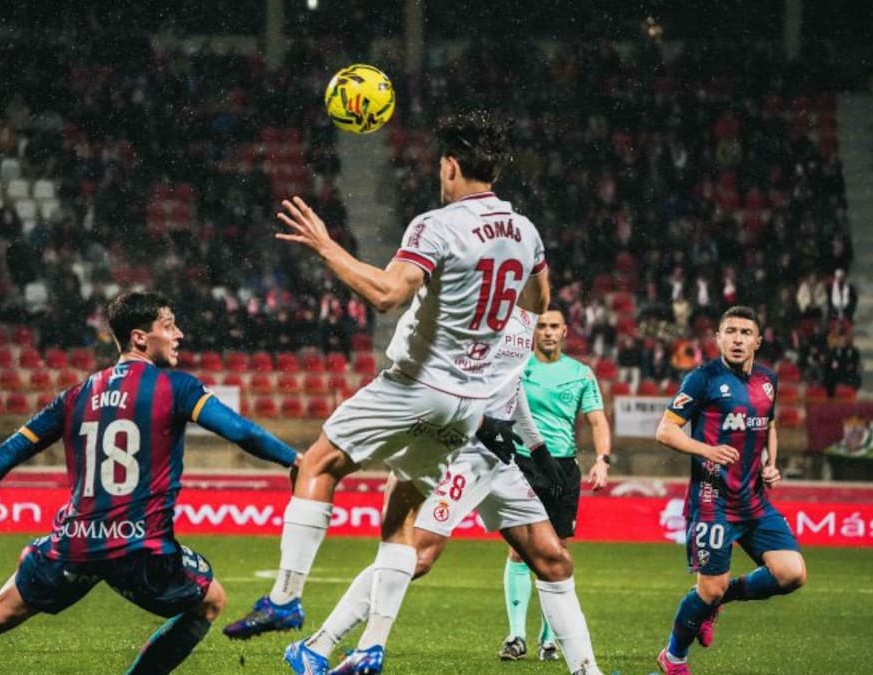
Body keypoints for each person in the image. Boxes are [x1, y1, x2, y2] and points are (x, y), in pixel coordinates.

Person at [221, 111, 550, 657]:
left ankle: (284, 597)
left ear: (450, 166)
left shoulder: (437, 224)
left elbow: (387, 295)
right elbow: (538, 303)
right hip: (468, 404)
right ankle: (371, 646)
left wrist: (326, 246)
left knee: (317, 464)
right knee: (403, 508)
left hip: (417, 384)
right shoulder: (525, 231)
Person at [0, 291, 300, 674]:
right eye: (169, 325)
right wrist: (294, 459)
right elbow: (242, 433)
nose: (178, 334)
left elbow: (11, 450)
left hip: (75, 542)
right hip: (140, 547)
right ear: (140, 337)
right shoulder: (176, 388)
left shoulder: (76, 395)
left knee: (0, 609)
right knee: (210, 601)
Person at [294, 308, 605, 675]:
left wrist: (538, 449)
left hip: (499, 459)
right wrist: (482, 423)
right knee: (417, 556)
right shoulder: (472, 308)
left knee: (554, 561)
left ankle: (587, 671)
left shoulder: (525, 318)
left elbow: (512, 387)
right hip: (459, 451)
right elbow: (436, 383)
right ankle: (317, 645)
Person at [655, 305, 807, 675]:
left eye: (745, 333)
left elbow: (768, 424)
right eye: (731, 332)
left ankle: (719, 603)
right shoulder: (702, 379)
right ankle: (673, 656)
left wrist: (771, 464)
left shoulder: (768, 380)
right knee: (709, 588)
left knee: (791, 574)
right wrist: (707, 450)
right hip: (713, 503)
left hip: (754, 500)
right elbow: (665, 430)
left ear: (758, 340)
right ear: (718, 338)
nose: (738, 339)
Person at [496, 307, 611, 664]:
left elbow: (597, 420)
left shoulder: (580, 374)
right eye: (541, 326)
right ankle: (516, 636)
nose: (547, 332)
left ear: (565, 332)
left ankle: (549, 640)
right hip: (522, 461)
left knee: (558, 550)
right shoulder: (518, 367)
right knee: (520, 548)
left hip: (562, 466)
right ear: (533, 332)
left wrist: (603, 460)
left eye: (554, 327)